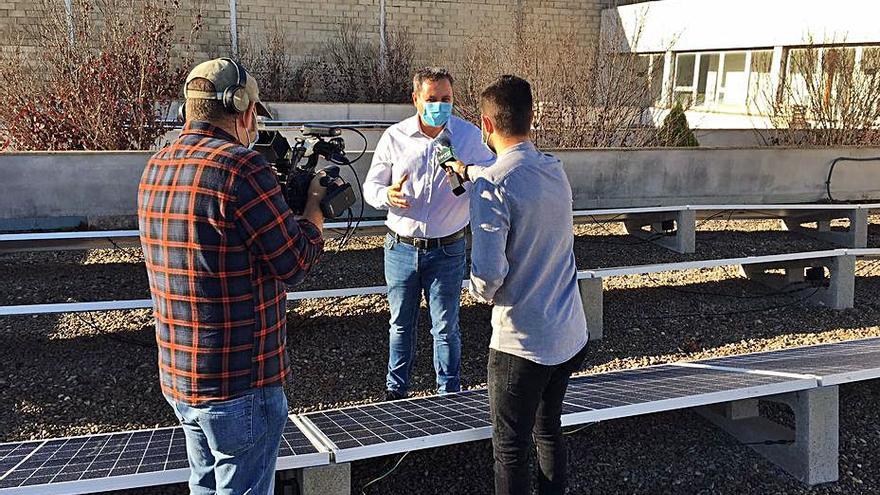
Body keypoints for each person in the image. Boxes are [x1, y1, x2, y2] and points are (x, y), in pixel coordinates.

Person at [137, 58, 328, 494]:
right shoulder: (243, 167)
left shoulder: (156, 166)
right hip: (241, 383)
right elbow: (294, 262)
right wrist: (313, 213)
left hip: (180, 377)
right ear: (242, 108)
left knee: (204, 485)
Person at [453, 75, 589, 495]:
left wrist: (474, 289)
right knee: (548, 430)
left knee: (510, 448)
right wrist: (467, 171)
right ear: (532, 116)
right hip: (568, 334)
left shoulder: (492, 186)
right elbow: (509, 174)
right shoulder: (553, 169)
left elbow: (490, 275)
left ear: (485, 126)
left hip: (522, 345)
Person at [363, 67, 495, 400]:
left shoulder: (467, 137)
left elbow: (493, 176)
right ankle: (396, 394)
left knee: (446, 327)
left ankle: (448, 395)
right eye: (432, 99)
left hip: (447, 249)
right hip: (401, 248)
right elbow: (371, 186)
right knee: (400, 326)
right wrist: (386, 196)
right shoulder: (395, 137)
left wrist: (467, 174)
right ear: (416, 99)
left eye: (446, 99)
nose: (440, 105)